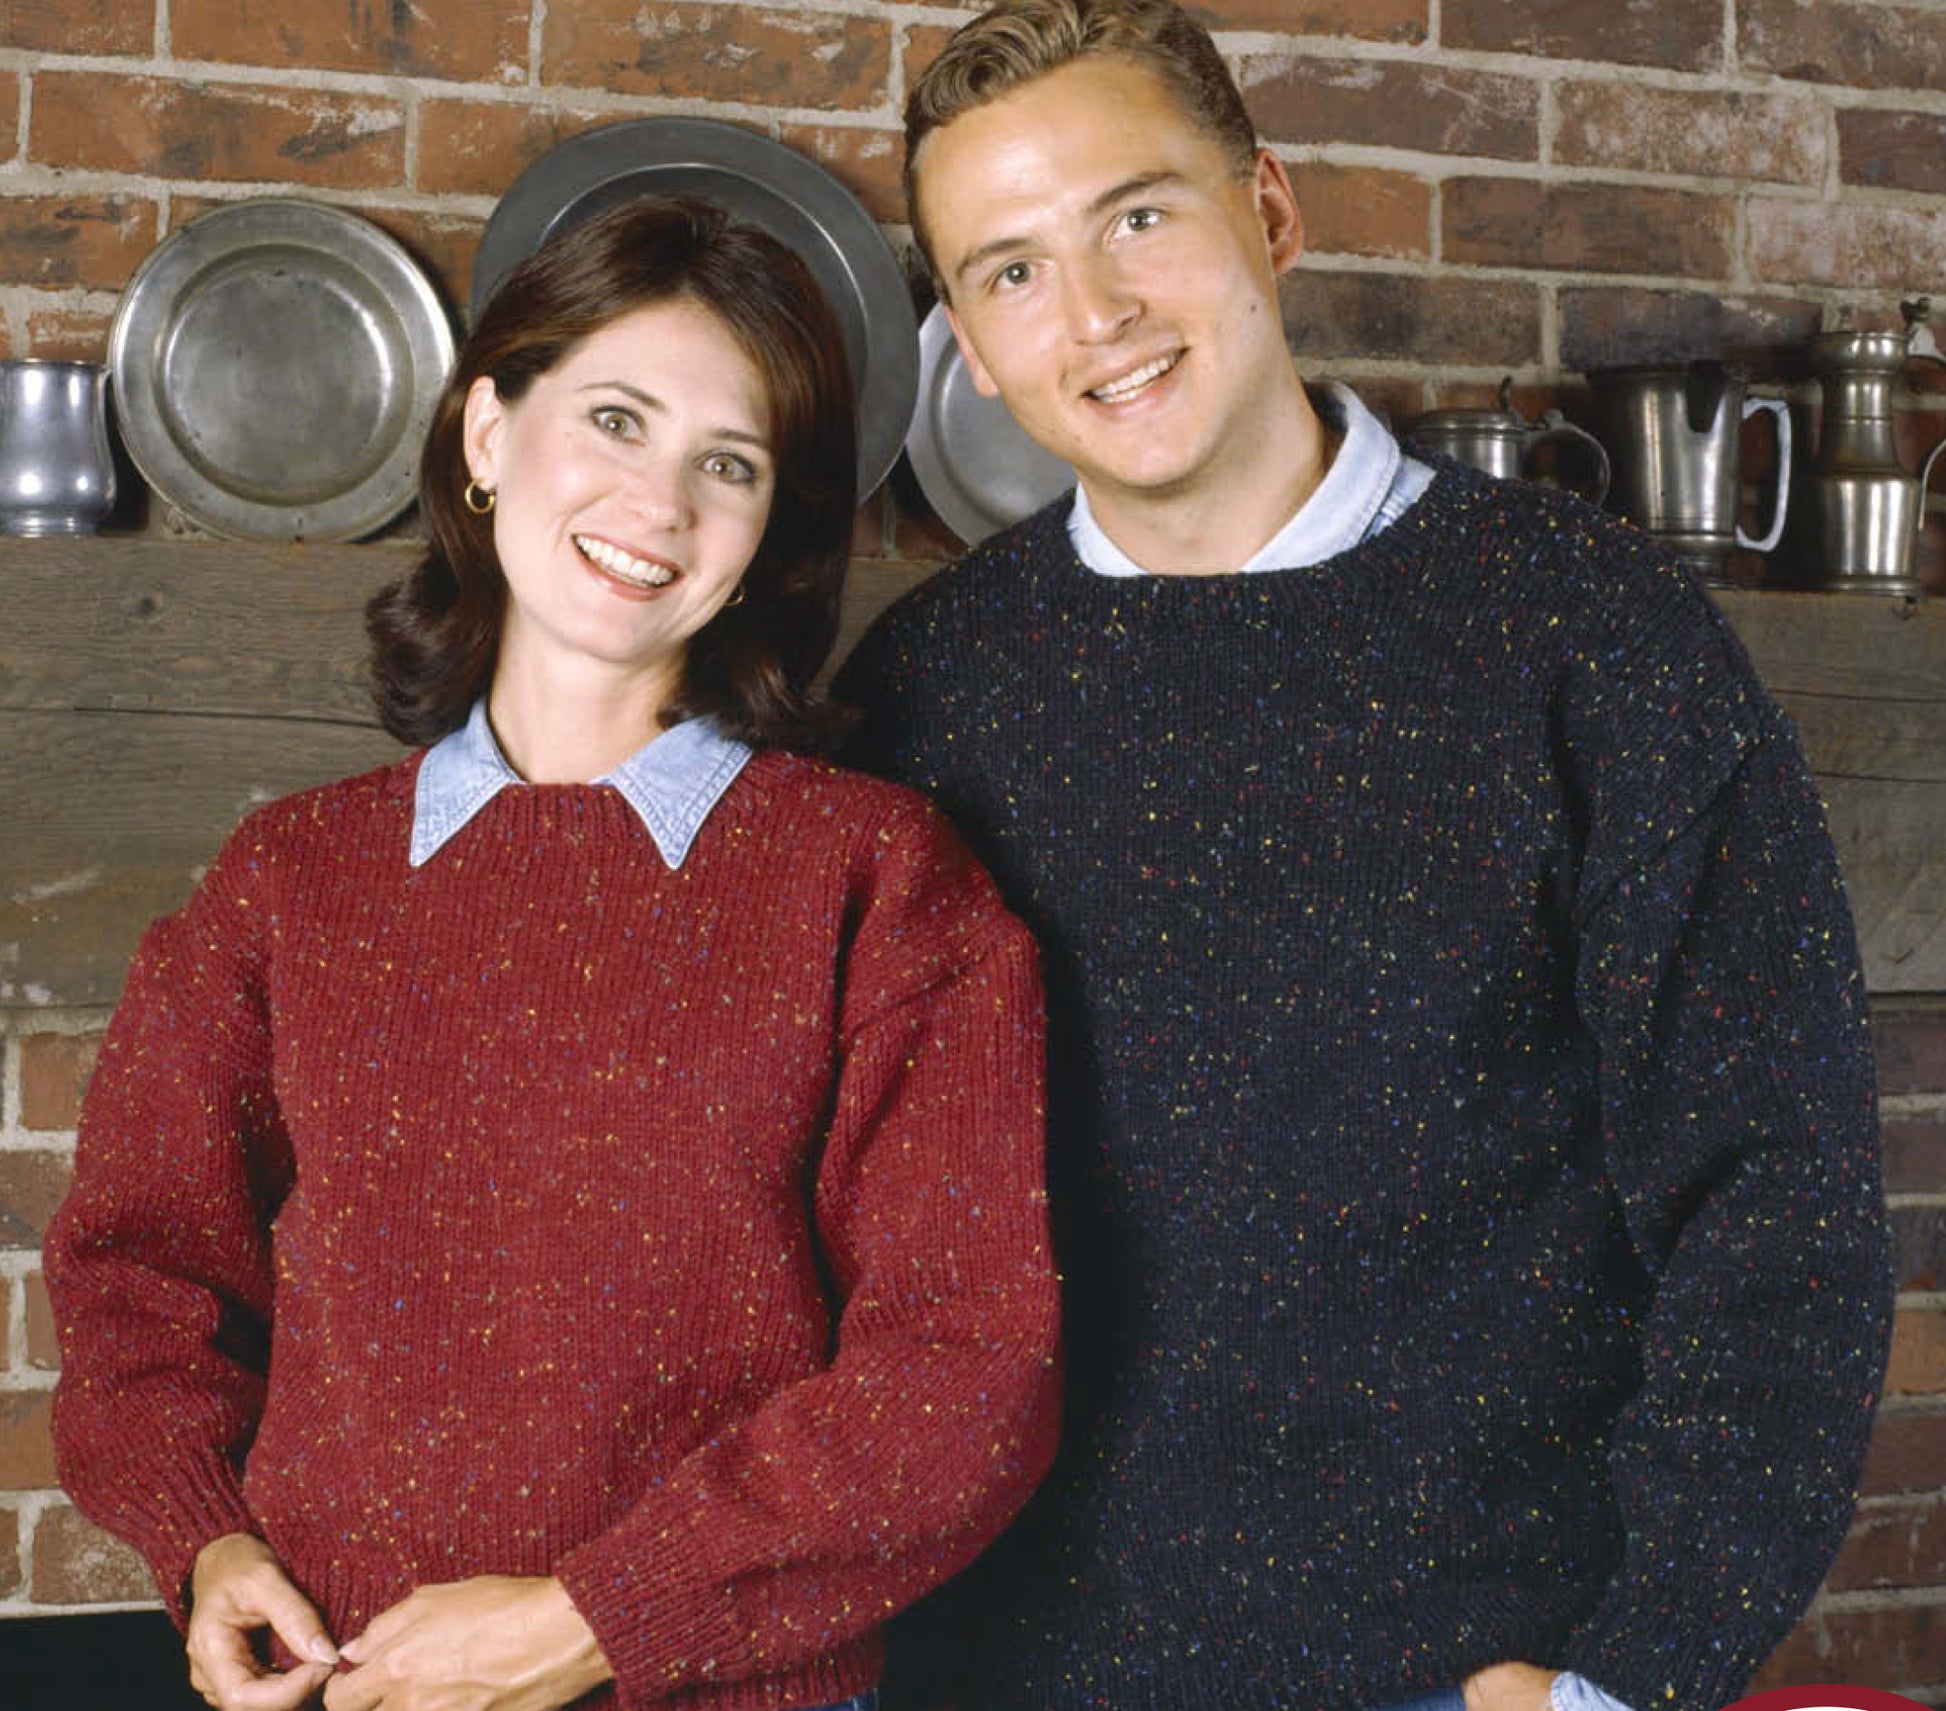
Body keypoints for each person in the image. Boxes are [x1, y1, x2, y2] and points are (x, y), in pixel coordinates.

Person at [833, 4, 1895, 1710]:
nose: (1095, 315)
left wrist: (1631, 1677)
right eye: (1012, 271)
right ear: (966, 334)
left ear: (1266, 213)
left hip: (1469, 1670)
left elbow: (1782, 1209)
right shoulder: (921, 695)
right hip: (994, 1670)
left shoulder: (1589, 635)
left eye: (1137, 218)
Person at [45, 194, 1060, 1711]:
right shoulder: (288, 878)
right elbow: (139, 1271)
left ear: (769, 527)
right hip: (345, 1687)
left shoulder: (878, 875)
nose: (659, 505)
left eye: (729, 463)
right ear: (484, 433)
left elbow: (967, 1370)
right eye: (613, 418)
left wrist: (601, 1617)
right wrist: (205, 1545)